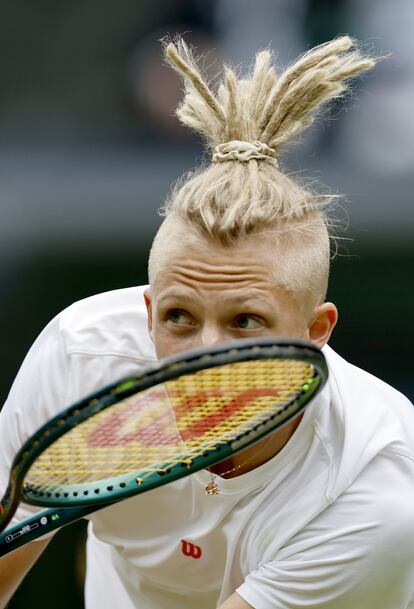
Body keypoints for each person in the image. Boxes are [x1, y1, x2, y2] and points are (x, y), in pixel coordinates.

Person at [1, 36, 414, 609]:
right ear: (147, 314)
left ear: (317, 331)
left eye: (245, 321)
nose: (204, 357)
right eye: (178, 318)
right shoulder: (83, 356)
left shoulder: (374, 493)